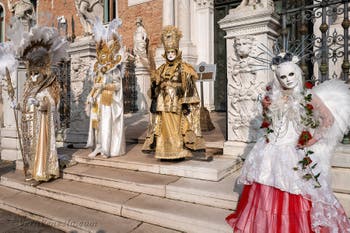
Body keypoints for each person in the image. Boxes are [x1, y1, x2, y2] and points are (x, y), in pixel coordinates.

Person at [226, 52, 350, 232]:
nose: (288, 79)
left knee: (295, 189)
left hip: (291, 150)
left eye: (291, 74)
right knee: (266, 185)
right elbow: (269, 120)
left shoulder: (307, 95)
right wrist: (266, 108)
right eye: (282, 76)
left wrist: (313, 139)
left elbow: (328, 119)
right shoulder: (273, 94)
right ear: (277, 78)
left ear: (298, 73)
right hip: (269, 148)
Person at [3, 21, 68, 182]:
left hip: (41, 124)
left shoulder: (48, 83)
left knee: (39, 147)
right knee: (30, 148)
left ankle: (42, 171)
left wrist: (40, 103)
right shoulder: (28, 85)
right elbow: (25, 103)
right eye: (31, 72)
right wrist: (17, 105)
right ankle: (32, 169)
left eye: (36, 72)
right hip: (29, 123)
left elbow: (53, 102)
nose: (33, 76)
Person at [142, 26, 205, 160]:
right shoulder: (161, 68)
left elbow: (188, 85)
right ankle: (163, 152)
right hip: (162, 103)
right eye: (168, 52)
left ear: (177, 52)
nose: (170, 55)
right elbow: (155, 87)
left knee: (176, 128)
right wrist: (155, 82)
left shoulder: (183, 67)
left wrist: (186, 102)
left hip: (176, 102)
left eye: (172, 52)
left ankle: (178, 152)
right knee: (164, 128)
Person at [86, 19, 125, 158]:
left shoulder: (113, 69)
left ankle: (106, 148)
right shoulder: (98, 69)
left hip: (108, 99)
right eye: (100, 55)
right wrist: (90, 96)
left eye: (104, 55)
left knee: (106, 124)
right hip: (97, 99)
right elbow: (95, 84)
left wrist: (104, 86)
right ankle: (98, 146)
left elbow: (117, 85)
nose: (102, 58)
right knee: (97, 125)